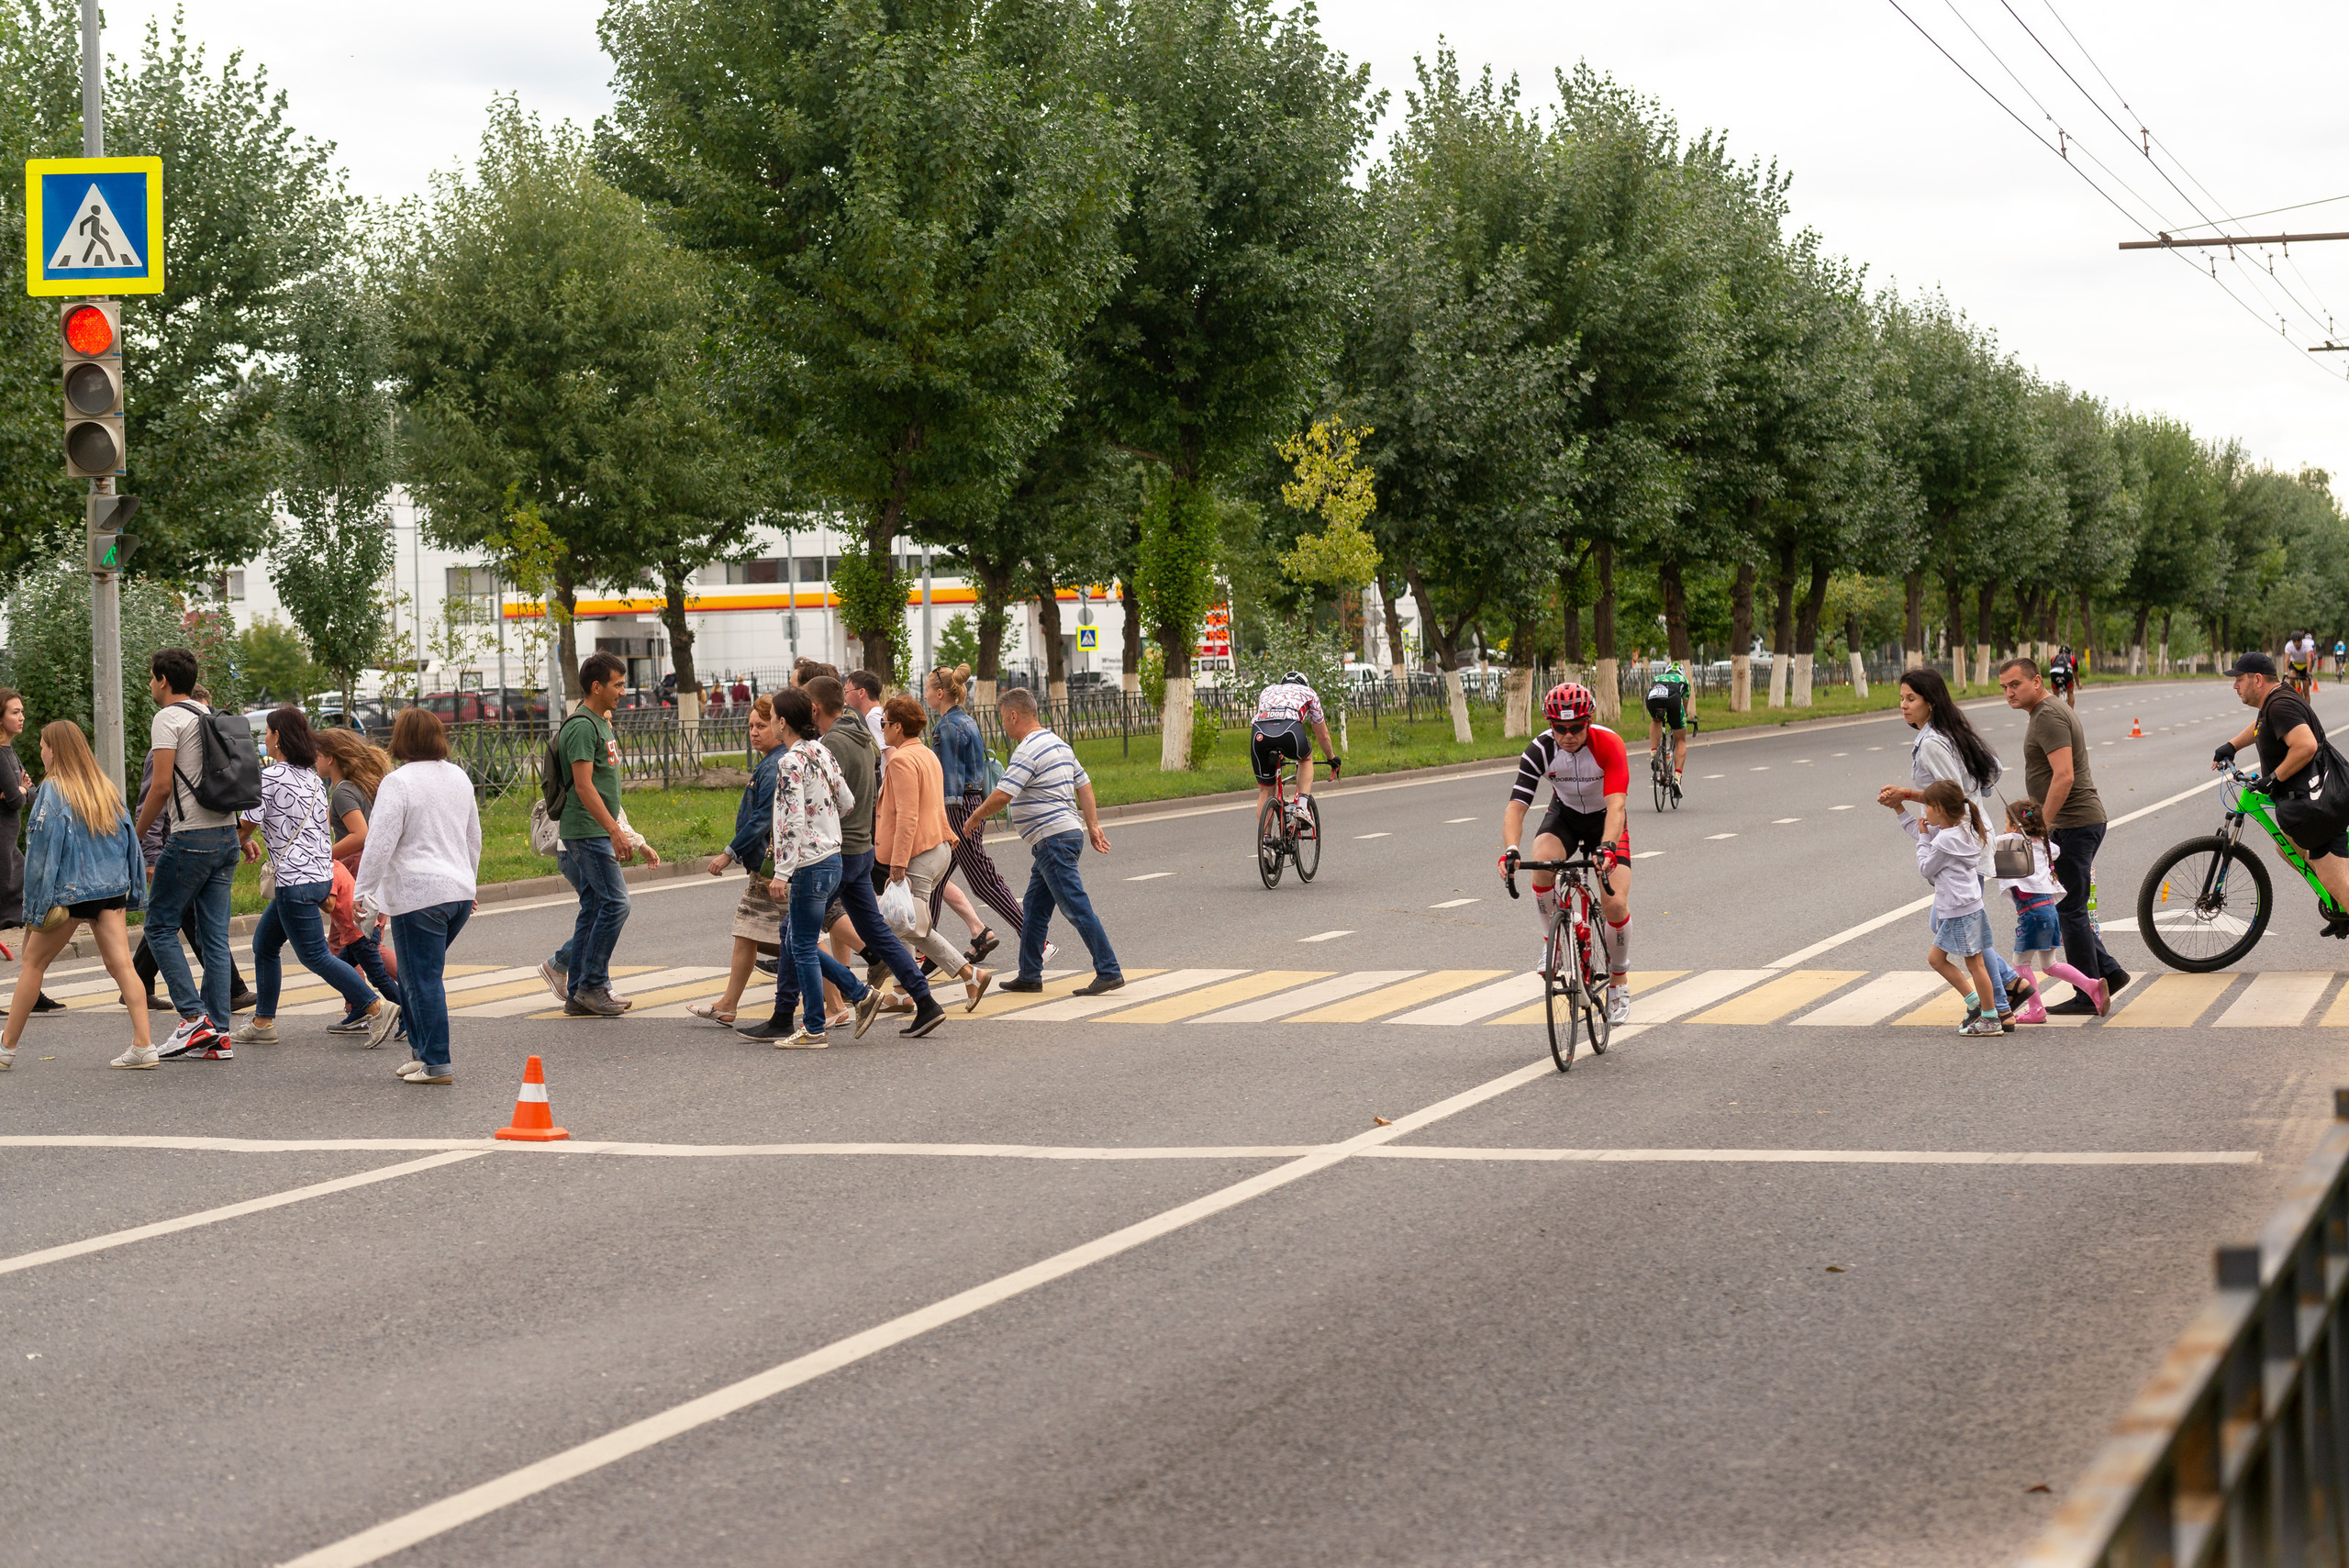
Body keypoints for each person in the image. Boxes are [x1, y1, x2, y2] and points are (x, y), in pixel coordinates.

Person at [231, 707, 399, 1051]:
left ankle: (376, 1007)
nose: (265, 739)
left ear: (278, 737)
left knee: (315, 955)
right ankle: (263, 1023)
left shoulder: (270, 777)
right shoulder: (311, 779)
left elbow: (245, 827)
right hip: (319, 875)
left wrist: (232, 843)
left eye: (267, 732)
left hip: (295, 881)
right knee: (265, 944)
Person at [1874, 666, 2027, 1029]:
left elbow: (1952, 794)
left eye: (1911, 698)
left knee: (1964, 932)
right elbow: (1992, 770)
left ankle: (1998, 1007)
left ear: (1930, 702)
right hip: (1969, 834)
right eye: (1901, 699)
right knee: (1953, 925)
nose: (1903, 705)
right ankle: (2009, 985)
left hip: (1960, 839)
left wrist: (1906, 795)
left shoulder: (1932, 742)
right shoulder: (1950, 732)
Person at [737, 686, 884, 1047]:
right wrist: (826, 825)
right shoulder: (820, 750)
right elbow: (847, 801)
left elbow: (792, 821)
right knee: (794, 939)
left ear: (783, 723)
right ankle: (857, 995)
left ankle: (818, 1025)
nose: (770, 723)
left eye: (772, 718)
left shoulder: (790, 762)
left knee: (801, 945)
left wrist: (782, 872)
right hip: (833, 857)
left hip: (809, 864)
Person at [0, 721, 150, 1069]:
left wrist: (34, 908)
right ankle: (144, 1045)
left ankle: (6, 1049)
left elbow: (41, 855)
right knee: (123, 965)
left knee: (33, 965)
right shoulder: (105, 786)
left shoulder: (52, 791)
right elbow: (129, 841)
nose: (41, 752)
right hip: (111, 890)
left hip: (69, 893)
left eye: (43, 746)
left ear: (54, 750)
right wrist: (133, 888)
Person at [806, 674, 941, 1035]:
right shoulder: (862, 736)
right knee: (877, 934)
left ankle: (855, 995)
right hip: (862, 848)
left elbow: (826, 802)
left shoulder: (830, 745)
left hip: (840, 851)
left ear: (814, 709)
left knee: (796, 933)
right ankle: (926, 1001)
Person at [965, 685, 1121, 996]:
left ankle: (1109, 970)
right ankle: (1029, 975)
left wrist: (974, 817)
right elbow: (1084, 785)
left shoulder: (1028, 749)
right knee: (1035, 910)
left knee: (1075, 906)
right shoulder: (1058, 744)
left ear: (1013, 715)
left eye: (1002, 718)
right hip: (1059, 837)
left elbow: (1003, 794)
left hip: (1053, 839)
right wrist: (1092, 826)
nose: (1003, 726)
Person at [1998, 656, 2130, 1015]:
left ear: (2036, 681)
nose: (2009, 693)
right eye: (2004, 687)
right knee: (2069, 906)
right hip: (2074, 823)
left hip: (2074, 823)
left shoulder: (2048, 716)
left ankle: (2088, 994)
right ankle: (2109, 973)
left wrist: (2040, 828)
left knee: (2069, 909)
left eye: (2015, 684)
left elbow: (2064, 775)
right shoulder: (2046, 712)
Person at [357, 707, 481, 1085]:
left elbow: (379, 843)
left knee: (422, 980)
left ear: (401, 739)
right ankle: (421, 1054)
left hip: (419, 896)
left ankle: (437, 1063)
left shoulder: (398, 782)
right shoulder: (458, 776)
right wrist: (469, 882)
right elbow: (473, 837)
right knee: (414, 978)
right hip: (457, 893)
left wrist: (363, 891)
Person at [1498, 682, 1634, 1025]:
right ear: (1551, 725)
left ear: (1589, 722)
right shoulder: (1540, 750)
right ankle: (1554, 942)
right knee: (1541, 861)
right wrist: (1510, 850)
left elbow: (1617, 806)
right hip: (1565, 817)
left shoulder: (1609, 744)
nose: (1568, 735)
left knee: (1615, 903)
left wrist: (1608, 847)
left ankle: (1618, 981)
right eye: (1560, 728)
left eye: (1576, 727)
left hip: (1605, 822)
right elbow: (1517, 806)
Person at [134, 648, 245, 1060]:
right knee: (214, 938)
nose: (151, 684)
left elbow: (161, 787)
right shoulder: (210, 715)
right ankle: (218, 1034)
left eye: (151, 677)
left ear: (163, 680)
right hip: (226, 837)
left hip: (191, 838)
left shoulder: (168, 718)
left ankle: (193, 1018)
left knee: (159, 926)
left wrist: (135, 836)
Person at [540, 651, 656, 1018]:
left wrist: (625, 833)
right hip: (587, 831)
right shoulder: (582, 727)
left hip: (595, 831)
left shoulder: (600, 723)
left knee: (594, 907)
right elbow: (584, 786)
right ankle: (592, 985)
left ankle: (578, 993)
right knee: (616, 904)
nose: (623, 691)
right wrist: (615, 832)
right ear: (596, 686)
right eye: (617, 685)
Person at [2213, 651, 2349, 929]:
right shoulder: (2275, 701)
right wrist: (2232, 745)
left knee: (2342, 888)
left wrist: (2274, 777)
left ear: (2257, 680)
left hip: (2318, 805)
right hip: (2317, 797)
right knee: (2285, 845)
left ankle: (2340, 898)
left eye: (2239, 679)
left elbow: (2306, 745)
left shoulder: (2280, 706)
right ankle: (2336, 901)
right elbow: (2262, 726)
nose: (2235, 685)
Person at [875, 695, 993, 1012]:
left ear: (898, 727)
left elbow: (908, 815)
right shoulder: (926, 753)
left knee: (911, 927)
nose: (882, 728)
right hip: (938, 847)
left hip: (918, 853)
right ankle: (902, 992)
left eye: (885, 723)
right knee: (902, 923)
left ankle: (970, 974)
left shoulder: (901, 760)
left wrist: (898, 862)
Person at [688, 695, 785, 1027]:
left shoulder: (774, 765)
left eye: (761, 725)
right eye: (750, 726)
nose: (754, 732)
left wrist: (728, 853)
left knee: (800, 941)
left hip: (771, 868)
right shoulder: (771, 761)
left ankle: (847, 996)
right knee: (749, 933)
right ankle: (728, 1005)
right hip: (768, 867)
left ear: (778, 725)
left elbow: (761, 820)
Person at [1887, 780, 2002, 1038]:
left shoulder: (1945, 841)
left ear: (1940, 809)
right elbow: (1922, 832)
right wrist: (1899, 810)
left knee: (1975, 965)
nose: (1924, 811)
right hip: (1967, 906)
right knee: (1938, 960)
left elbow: (1926, 868)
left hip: (1959, 909)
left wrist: (1924, 839)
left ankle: (1990, 1017)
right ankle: (1975, 1003)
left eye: (1928, 806)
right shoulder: (1962, 828)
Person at [924, 665, 1020, 961]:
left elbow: (950, 778)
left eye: (927, 690)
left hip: (957, 808)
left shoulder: (947, 727)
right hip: (971, 802)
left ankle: (1036, 938)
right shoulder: (966, 720)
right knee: (936, 880)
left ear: (940, 693)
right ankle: (926, 952)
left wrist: (941, 812)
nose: (925, 695)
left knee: (983, 881)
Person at [1998, 800, 2106, 1019]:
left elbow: (1989, 842)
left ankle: (2036, 1010)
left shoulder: (2010, 842)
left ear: (2015, 827)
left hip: (2032, 915)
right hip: (2050, 911)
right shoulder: (2044, 844)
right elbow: (2054, 850)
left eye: (2007, 823)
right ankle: (2091, 985)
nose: (2005, 828)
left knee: (2020, 965)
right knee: (2049, 964)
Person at [1249, 669, 1337, 825]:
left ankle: (1265, 838)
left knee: (1266, 791)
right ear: (1304, 684)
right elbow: (1323, 735)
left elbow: (1266, 719)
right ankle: (1301, 806)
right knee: (1305, 759)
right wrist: (1332, 758)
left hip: (1260, 733)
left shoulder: (1267, 690)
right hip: (1289, 728)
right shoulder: (1309, 692)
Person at [1642, 660, 1694, 780]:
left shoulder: (1657, 678)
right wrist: (1683, 718)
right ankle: (1677, 778)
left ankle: (1654, 754)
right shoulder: (1684, 681)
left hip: (1652, 698)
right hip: (1673, 699)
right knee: (1680, 741)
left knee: (1656, 720)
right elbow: (1684, 707)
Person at [845, 670, 888, 751]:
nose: (844, 697)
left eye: (846, 692)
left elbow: (890, 752)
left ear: (861, 692)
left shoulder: (873, 716)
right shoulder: (878, 713)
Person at [2286, 632, 2319, 697]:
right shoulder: (2289, 645)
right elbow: (2287, 660)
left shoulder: (2307, 645)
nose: (2296, 643)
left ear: (2301, 640)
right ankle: (2293, 694)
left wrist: (2308, 673)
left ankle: (2306, 704)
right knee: (2292, 677)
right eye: (2294, 641)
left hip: (2305, 665)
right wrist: (2285, 673)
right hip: (2295, 664)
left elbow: (2309, 659)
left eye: (2298, 641)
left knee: (2306, 690)